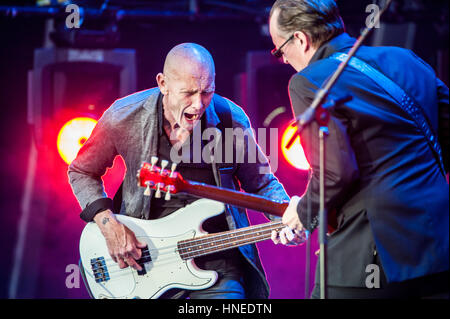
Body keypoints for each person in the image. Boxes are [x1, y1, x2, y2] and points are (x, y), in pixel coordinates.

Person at [68, 42, 302, 299]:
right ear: (163, 83)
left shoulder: (230, 119)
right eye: (188, 93)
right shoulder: (124, 116)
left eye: (206, 92)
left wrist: (286, 217)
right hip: (145, 262)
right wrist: (108, 224)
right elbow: (82, 171)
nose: (198, 104)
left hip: (218, 265)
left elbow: (261, 183)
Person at [269, 0, 449, 298]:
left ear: (300, 39)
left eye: (280, 51)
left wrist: (304, 212)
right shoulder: (406, 58)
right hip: (439, 246)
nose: (285, 60)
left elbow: (335, 173)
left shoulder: (309, 81)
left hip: (372, 254)